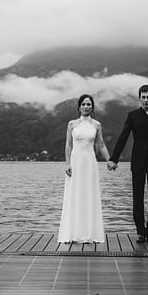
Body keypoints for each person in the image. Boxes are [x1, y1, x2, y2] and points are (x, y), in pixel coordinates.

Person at [107, 84, 148, 244]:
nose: (146, 100)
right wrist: (114, 158)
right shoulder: (133, 115)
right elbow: (123, 137)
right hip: (138, 162)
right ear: (139, 98)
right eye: (143, 97)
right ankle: (141, 232)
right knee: (137, 198)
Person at [57, 94, 111, 243]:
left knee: (89, 195)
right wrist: (67, 163)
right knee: (75, 195)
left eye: (89, 104)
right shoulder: (72, 124)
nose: (86, 107)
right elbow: (68, 145)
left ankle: (90, 233)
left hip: (89, 163)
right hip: (75, 162)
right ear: (79, 107)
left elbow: (101, 145)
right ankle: (73, 232)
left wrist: (109, 160)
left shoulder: (96, 125)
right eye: (84, 104)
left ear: (92, 107)